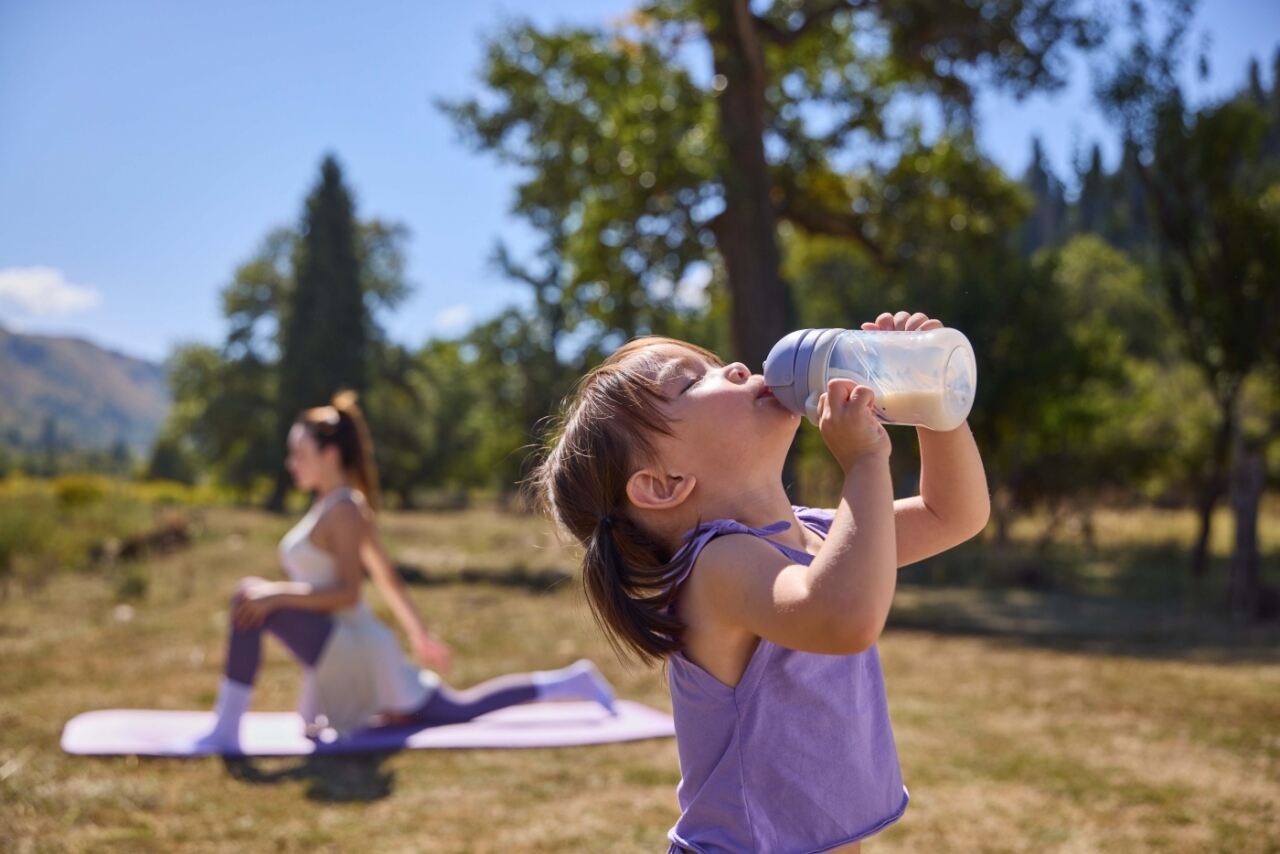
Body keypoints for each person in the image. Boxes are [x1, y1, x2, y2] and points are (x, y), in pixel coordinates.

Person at [532, 311, 990, 853]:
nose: (736, 368)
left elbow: (953, 513)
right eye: (690, 381)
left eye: (717, 362)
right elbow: (843, 619)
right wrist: (865, 462)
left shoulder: (818, 531)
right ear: (664, 485)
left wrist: (932, 402)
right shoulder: (715, 567)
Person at [197, 391, 614, 753]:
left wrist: (275, 595)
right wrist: (418, 636)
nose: (291, 464)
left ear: (330, 455)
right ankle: (572, 680)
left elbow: (347, 594)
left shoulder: (344, 509)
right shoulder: (331, 506)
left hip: (356, 646)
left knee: (249, 595)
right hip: (345, 645)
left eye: (299, 454)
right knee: (459, 708)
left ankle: (226, 731)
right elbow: (387, 577)